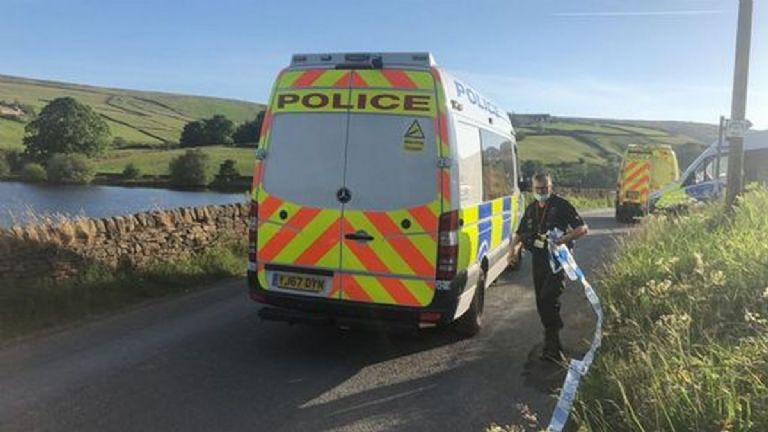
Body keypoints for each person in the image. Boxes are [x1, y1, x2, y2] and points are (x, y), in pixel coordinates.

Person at [509, 173, 588, 362]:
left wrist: (563, 240)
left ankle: (552, 344)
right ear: (533, 189)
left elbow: (583, 228)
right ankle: (552, 344)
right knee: (541, 303)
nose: (542, 192)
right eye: (538, 189)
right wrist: (512, 252)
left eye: (545, 188)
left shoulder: (561, 206)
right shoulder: (531, 209)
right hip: (538, 262)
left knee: (548, 299)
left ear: (550, 187)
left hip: (557, 263)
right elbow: (519, 234)